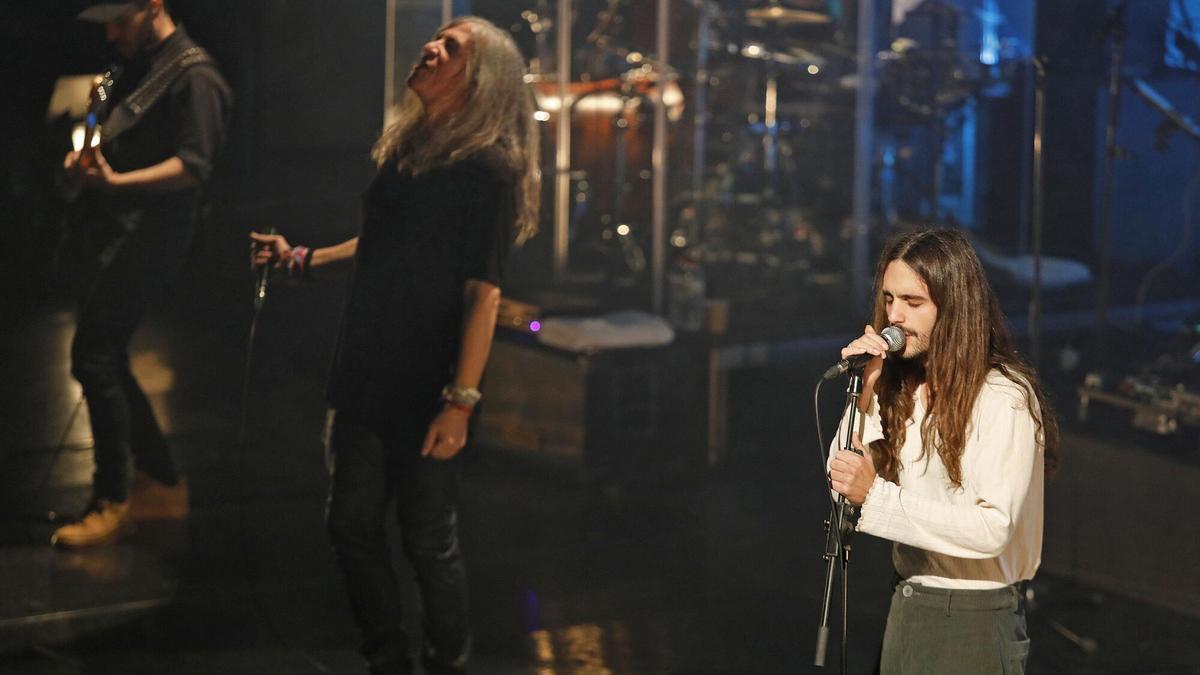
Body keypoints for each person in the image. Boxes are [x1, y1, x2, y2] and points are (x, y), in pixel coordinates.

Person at [250, 16, 539, 675]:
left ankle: (448, 660)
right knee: (348, 524)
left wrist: (460, 401)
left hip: (428, 379)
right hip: (365, 365)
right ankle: (387, 655)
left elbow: (482, 294)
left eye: (452, 47)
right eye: (435, 37)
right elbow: (379, 247)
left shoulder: (488, 172)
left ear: (478, 80)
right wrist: (299, 259)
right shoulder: (407, 149)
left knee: (428, 539)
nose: (430, 47)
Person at [827, 227, 1058, 674]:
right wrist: (865, 393)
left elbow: (993, 527)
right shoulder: (903, 390)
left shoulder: (1002, 398)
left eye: (913, 303)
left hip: (972, 618)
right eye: (890, 299)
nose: (895, 315)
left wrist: (877, 497)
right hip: (907, 604)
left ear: (953, 309)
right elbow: (842, 480)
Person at [52, 0, 232, 548]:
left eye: (118, 21)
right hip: (112, 233)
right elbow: (100, 110)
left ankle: (112, 499)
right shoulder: (129, 65)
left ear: (154, 7)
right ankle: (161, 479)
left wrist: (114, 185)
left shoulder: (196, 76)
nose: (110, 34)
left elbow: (193, 166)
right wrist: (84, 151)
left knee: (94, 357)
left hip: (151, 238)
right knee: (106, 355)